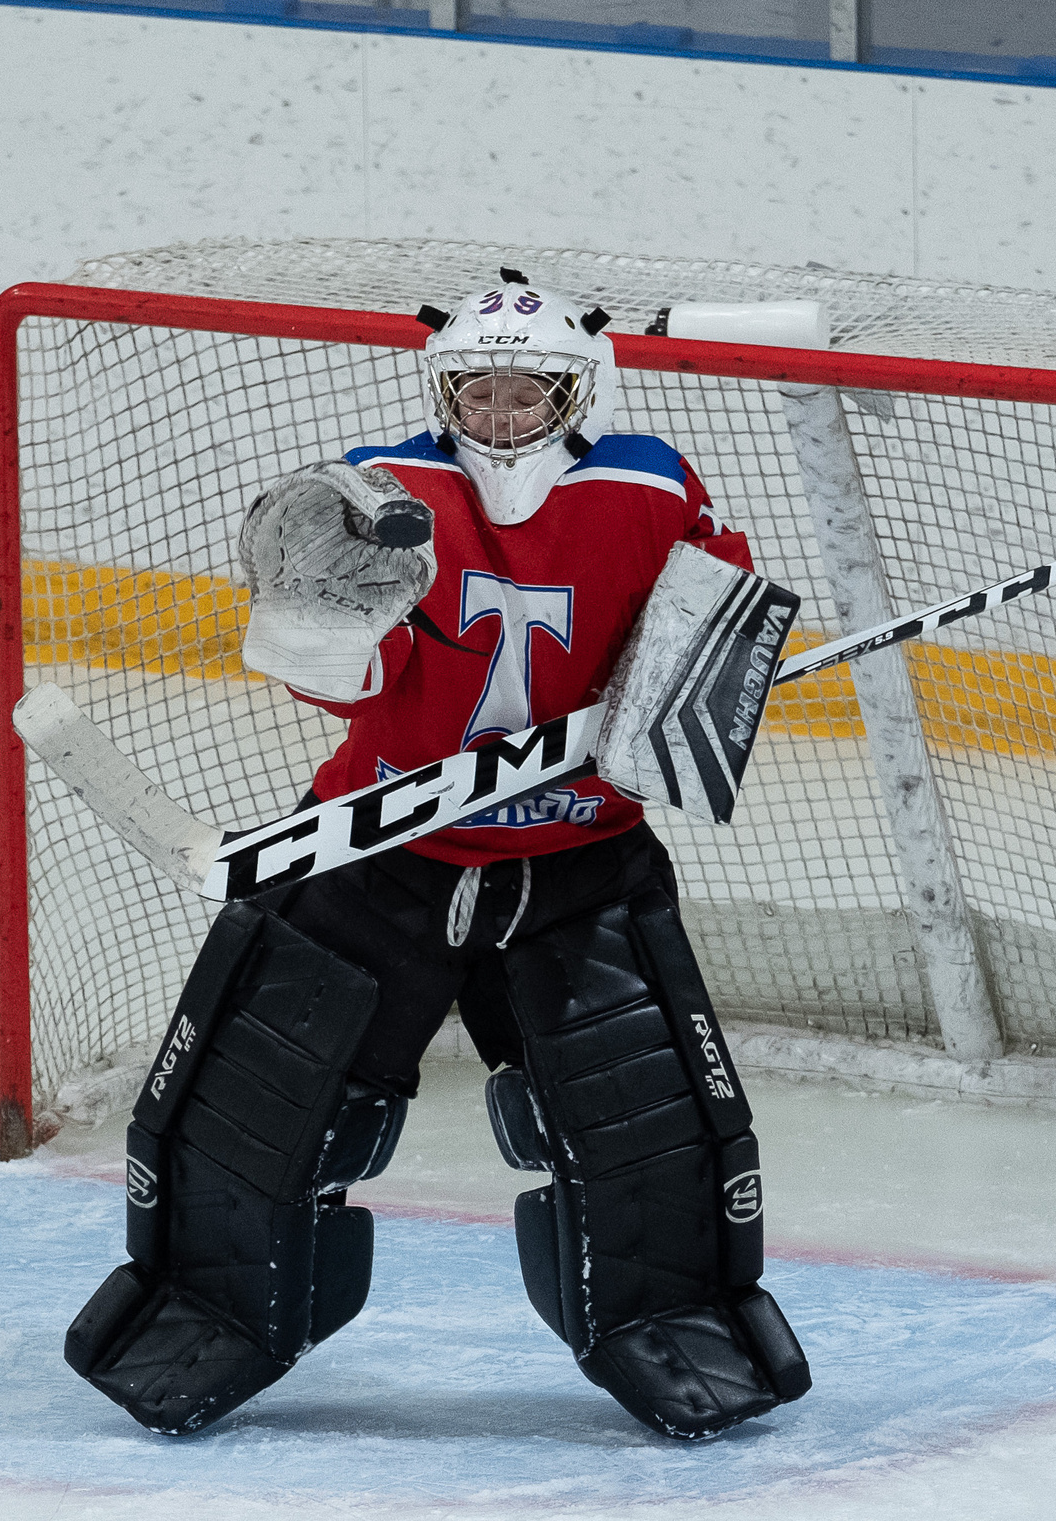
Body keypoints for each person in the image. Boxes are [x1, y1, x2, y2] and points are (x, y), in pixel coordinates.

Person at [61, 272, 810, 1440]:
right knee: (249, 1113)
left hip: (580, 861)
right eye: (479, 392)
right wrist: (312, 620)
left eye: (527, 394)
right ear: (442, 387)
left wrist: (672, 696)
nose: (501, 415)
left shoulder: (650, 486)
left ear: (575, 391)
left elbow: (705, 648)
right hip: (376, 851)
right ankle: (204, 1309)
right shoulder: (378, 492)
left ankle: (679, 1325)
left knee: (642, 1130)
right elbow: (344, 682)